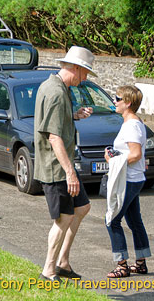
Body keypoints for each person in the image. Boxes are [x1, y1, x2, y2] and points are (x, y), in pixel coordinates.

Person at [34, 46, 96, 282]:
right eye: (86, 73)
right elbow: (54, 136)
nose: (86, 78)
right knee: (63, 218)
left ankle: (63, 263)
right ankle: (48, 270)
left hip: (62, 164)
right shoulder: (58, 93)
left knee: (81, 208)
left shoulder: (55, 86)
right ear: (77, 69)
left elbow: (54, 120)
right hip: (56, 167)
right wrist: (70, 172)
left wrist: (74, 114)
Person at [104, 85, 151, 278]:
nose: (114, 101)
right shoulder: (134, 123)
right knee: (134, 220)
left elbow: (135, 155)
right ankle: (140, 262)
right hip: (134, 178)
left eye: (117, 98)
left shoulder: (132, 125)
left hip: (129, 180)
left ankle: (121, 264)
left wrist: (112, 160)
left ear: (128, 103)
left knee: (112, 220)